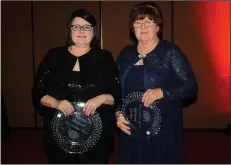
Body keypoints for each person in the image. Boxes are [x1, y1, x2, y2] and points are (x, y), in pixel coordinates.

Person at [32, 9, 121, 164]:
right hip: (59, 132)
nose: (81, 31)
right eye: (76, 27)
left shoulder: (105, 58)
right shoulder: (54, 56)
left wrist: (101, 98)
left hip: (96, 135)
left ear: (93, 31)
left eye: (86, 27)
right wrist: (56, 103)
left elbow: (117, 94)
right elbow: (38, 91)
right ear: (69, 30)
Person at [116, 2, 198, 164]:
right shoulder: (126, 54)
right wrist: (118, 113)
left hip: (162, 132)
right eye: (138, 22)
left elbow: (191, 88)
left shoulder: (170, 52)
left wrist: (162, 93)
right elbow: (117, 89)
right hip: (132, 128)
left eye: (149, 21)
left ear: (158, 27)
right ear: (133, 28)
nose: (143, 26)